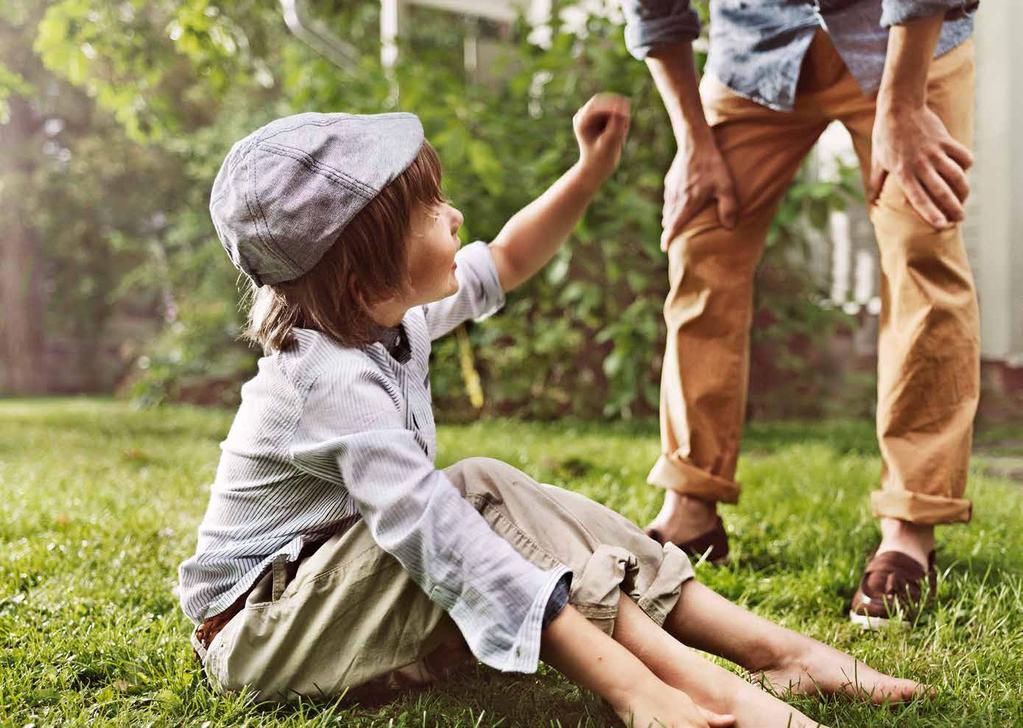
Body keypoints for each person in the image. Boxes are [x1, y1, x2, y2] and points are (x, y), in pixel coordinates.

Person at [179, 96, 922, 727]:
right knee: (474, 494)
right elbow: (441, 540)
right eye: (429, 209)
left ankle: (776, 652)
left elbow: (504, 258)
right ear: (364, 260)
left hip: (328, 595)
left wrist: (588, 170)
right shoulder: (328, 382)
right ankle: (683, 689)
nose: (454, 214)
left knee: (506, 493)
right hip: (261, 637)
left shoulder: (382, 321)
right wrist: (630, 691)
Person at [620, 0, 981, 627]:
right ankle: (691, 505)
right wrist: (691, 140)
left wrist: (901, 106)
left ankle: (911, 523)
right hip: (755, 52)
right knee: (702, 234)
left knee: (922, 242)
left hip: (903, 38)